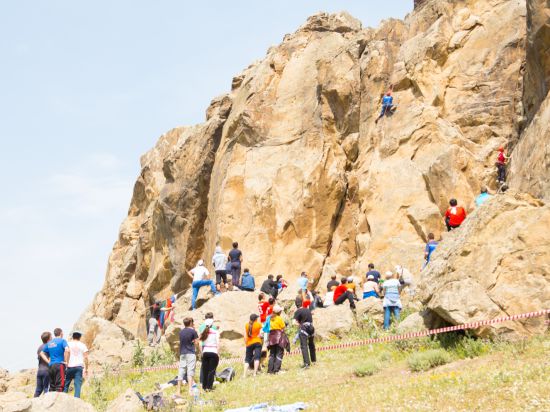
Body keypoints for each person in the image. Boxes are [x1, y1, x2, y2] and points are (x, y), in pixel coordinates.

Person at [40, 328, 69, 392]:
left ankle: (50, 399)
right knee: (60, 385)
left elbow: (41, 353)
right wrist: (66, 361)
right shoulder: (62, 341)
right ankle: (58, 401)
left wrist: (48, 362)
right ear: (61, 333)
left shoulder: (49, 343)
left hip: (51, 366)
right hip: (59, 365)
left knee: (52, 385)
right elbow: (67, 350)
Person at [63, 331, 89, 398]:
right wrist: (86, 368)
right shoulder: (83, 345)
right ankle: (76, 400)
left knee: (66, 385)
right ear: (80, 337)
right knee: (77, 385)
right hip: (78, 368)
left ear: (72, 337)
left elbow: (66, 353)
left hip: (69, 367)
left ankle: (63, 399)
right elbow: (86, 357)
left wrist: (66, 362)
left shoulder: (68, 344)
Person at [177, 317, 199, 396]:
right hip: (190, 353)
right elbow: (197, 343)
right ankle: (190, 390)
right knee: (190, 371)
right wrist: (193, 342)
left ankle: (178, 391)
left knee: (181, 371)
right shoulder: (193, 331)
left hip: (182, 353)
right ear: (190, 323)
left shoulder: (181, 332)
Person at [294, 298, 316, 369]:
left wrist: (300, 325)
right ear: (302, 303)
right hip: (311, 328)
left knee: (304, 346)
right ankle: (314, 360)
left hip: (304, 329)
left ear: (296, 304)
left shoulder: (298, 311)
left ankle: (306, 363)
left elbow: (294, 323)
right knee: (311, 344)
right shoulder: (307, 310)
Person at [267, 305, 288, 374]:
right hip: (279, 337)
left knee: (272, 354)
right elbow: (284, 328)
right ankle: (277, 370)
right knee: (279, 353)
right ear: (279, 312)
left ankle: (270, 370)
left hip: (271, 337)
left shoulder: (270, 318)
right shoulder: (279, 318)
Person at [199, 319, 219, 391]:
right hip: (213, 351)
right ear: (212, 324)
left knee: (205, 370)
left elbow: (200, 343)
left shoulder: (203, 332)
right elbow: (217, 343)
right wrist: (218, 353)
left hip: (205, 352)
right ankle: (209, 387)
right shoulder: (215, 332)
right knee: (211, 371)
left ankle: (204, 386)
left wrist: (202, 353)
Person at [34, 332, 51, 397]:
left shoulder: (39, 347)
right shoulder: (49, 347)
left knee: (38, 390)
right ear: (48, 339)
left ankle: (33, 403)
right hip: (46, 370)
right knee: (46, 389)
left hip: (40, 370)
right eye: (51, 337)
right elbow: (50, 358)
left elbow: (39, 358)